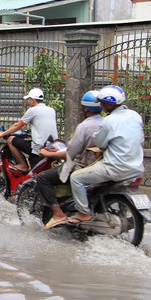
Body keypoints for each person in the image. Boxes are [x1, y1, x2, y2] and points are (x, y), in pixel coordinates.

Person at [68, 85, 145, 224]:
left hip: (115, 168)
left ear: (109, 104)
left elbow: (100, 143)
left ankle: (83, 213)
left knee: (76, 178)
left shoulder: (109, 121)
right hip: (136, 168)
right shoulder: (135, 116)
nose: (102, 106)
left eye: (103, 102)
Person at [35, 91, 104, 230]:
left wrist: (49, 154)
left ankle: (58, 214)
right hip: (100, 166)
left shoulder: (85, 126)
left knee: (42, 178)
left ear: (85, 108)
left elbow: (71, 153)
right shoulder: (106, 123)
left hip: (81, 167)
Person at [0, 87, 58, 172]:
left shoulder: (33, 110)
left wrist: (3, 134)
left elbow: (17, 125)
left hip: (40, 147)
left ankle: (22, 165)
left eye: (29, 99)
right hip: (53, 146)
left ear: (33, 100)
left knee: (10, 139)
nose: (28, 102)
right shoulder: (51, 110)